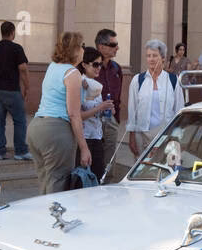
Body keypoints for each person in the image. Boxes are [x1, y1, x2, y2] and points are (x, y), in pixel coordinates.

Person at [27, 31, 91, 193]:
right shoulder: (72, 73)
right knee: (58, 183)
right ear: (75, 49)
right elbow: (74, 114)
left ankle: (43, 215)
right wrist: (84, 147)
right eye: (82, 46)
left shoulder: (53, 67)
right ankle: (54, 217)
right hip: (56, 130)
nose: (84, 49)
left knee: (45, 180)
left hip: (37, 127)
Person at [127, 39, 185, 156]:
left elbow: (179, 111)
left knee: (163, 172)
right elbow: (132, 111)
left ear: (163, 58)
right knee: (141, 173)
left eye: (155, 55)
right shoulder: (137, 80)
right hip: (141, 136)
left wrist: (176, 138)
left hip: (166, 136)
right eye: (148, 56)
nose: (151, 59)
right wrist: (131, 136)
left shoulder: (173, 81)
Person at [0, 20, 32, 163]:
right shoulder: (17, 48)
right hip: (12, 90)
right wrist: (27, 86)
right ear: (13, 32)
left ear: (2, 32)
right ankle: (21, 151)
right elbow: (23, 69)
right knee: (19, 121)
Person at [76, 46, 114, 183]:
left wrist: (106, 109)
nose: (99, 68)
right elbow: (77, 115)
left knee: (97, 177)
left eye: (100, 64)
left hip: (97, 136)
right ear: (84, 64)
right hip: (84, 138)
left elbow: (97, 111)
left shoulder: (95, 85)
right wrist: (100, 107)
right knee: (83, 179)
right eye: (95, 64)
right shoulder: (80, 83)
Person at [95, 27, 123, 179]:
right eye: (113, 45)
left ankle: (108, 187)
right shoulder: (89, 66)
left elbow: (118, 97)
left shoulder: (116, 69)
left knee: (110, 160)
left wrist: (116, 118)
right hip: (92, 120)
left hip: (111, 120)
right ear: (101, 46)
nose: (117, 48)